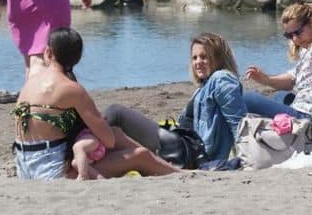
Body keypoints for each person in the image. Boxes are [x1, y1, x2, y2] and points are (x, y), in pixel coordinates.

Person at [12, 27, 177, 180]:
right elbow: (109, 140)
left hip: (23, 165)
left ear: (48, 52)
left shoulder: (30, 82)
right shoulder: (71, 89)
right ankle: (179, 174)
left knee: (116, 134)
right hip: (49, 171)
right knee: (139, 155)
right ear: (77, 58)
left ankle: (169, 167)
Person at [104, 32, 246, 162]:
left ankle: (85, 145)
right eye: (194, 58)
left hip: (188, 152)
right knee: (118, 134)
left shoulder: (221, 79)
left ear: (218, 58)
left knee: (116, 114)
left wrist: (245, 158)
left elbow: (239, 124)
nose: (197, 62)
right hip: (182, 146)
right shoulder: (205, 86)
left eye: (204, 57)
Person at [244, 3, 312, 138]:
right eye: (289, 35)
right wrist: (266, 79)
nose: (295, 39)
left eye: (298, 32)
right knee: (281, 96)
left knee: (246, 98)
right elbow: (292, 79)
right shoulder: (311, 46)